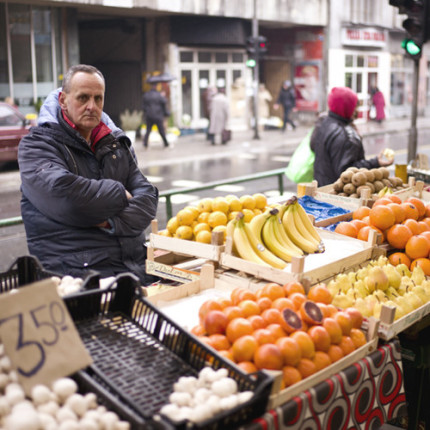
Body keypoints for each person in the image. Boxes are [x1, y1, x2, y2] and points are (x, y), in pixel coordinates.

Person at [18, 64, 159, 285]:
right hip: (78, 277)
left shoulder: (116, 143)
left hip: (135, 268)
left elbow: (148, 199)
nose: (92, 106)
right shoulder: (36, 145)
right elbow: (68, 199)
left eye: (98, 98)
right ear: (63, 100)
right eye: (83, 98)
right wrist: (121, 193)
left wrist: (108, 221)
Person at [310, 86, 393, 186]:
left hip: (322, 187)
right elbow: (347, 173)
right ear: (345, 107)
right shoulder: (345, 136)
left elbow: (313, 146)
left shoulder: (323, 123)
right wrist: (375, 163)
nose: (356, 111)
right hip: (337, 196)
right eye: (354, 107)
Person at [142, 83, 170, 148]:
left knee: (148, 130)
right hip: (158, 116)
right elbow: (164, 102)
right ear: (156, 87)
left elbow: (143, 106)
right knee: (161, 131)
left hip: (149, 116)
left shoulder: (146, 95)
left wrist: (147, 112)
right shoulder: (159, 95)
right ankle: (166, 143)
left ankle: (145, 143)